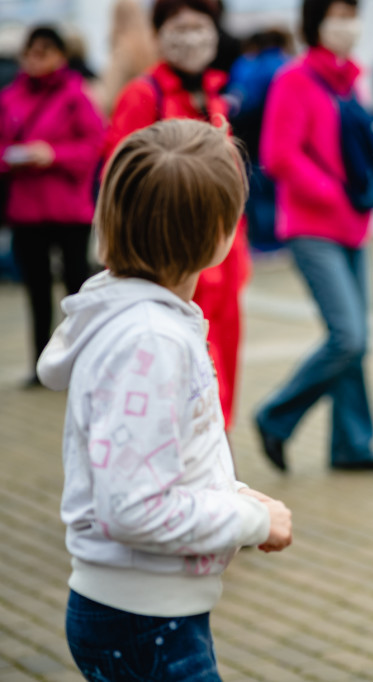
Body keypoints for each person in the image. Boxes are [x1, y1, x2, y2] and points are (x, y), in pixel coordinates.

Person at [36, 118, 293, 682]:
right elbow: (133, 507)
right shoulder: (148, 341)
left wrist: (237, 494)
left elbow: (165, 462)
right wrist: (249, 519)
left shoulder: (143, 322)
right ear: (220, 233)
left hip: (150, 614)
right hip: (143, 621)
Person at [255, 0, 373, 473]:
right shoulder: (293, 80)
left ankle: (351, 446)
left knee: (357, 339)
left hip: (351, 226)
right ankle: (275, 418)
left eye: (351, 14)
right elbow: (278, 155)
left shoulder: (349, 79)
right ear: (316, 23)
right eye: (337, 14)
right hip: (312, 226)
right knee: (347, 336)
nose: (348, 24)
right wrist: (331, 191)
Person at [106, 0, 250, 431]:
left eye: (200, 26)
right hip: (173, 264)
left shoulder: (215, 93)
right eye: (179, 27)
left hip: (223, 259)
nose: (191, 37)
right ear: (159, 33)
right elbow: (122, 181)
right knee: (187, 377)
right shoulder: (143, 94)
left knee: (222, 367)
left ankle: (220, 456)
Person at [0, 26, 105, 388]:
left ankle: (81, 360)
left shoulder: (76, 95)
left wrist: (53, 155)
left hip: (69, 210)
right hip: (27, 209)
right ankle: (41, 364)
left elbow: (95, 145)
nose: (35, 59)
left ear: (60, 55)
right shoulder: (10, 97)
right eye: (30, 52)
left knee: (77, 289)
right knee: (36, 290)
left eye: (44, 52)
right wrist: (13, 158)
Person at [227, 28, 291, 252]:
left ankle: (265, 243)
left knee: (258, 191)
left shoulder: (250, 66)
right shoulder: (289, 63)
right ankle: (281, 238)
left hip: (253, 140)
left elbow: (238, 103)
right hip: (284, 141)